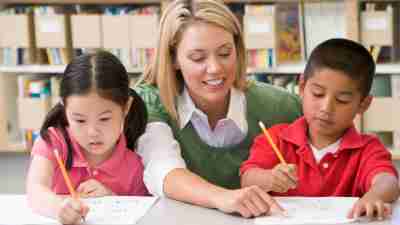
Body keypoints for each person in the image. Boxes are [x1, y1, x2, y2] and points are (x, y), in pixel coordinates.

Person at [135, 0, 302, 218]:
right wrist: (224, 197)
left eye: (224, 53)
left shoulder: (282, 106)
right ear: (174, 58)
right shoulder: (151, 101)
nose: (215, 68)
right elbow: (162, 170)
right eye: (198, 58)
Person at [240, 38, 400, 220]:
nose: (326, 108)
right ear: (301, 87)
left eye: (342, 100)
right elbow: (247, 178)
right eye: (318, 94)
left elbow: (388, 181)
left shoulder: (367, 149)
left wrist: (374, 196)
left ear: (363, 104)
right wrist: (269, 179)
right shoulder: (276, 138)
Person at [26, 51, 149, 225]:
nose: (92, 132)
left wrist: (112, 199)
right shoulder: (53, 143)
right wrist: (59, 208)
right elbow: (35, 190)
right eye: (80, 120)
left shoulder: (136, 166)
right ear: (64, 108)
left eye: (104, 119)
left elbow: (143, 213)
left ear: (126, 107)